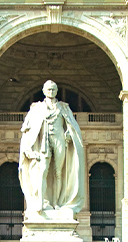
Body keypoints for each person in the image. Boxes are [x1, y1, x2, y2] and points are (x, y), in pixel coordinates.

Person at [18, 80, 85, 218]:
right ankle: (41, 202)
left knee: (58, 172)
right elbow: (27, 127)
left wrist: (69, 133)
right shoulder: (36, 108)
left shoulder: (63, 107)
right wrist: (28, 146)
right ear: (43, 91)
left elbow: (72, 125)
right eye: (48, 89)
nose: (51, 91)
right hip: (43, 142)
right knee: (42, 170)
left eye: (53, 89)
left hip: (60, 140)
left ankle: (57, 204)